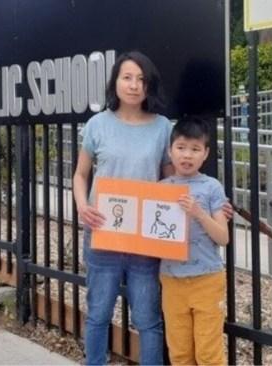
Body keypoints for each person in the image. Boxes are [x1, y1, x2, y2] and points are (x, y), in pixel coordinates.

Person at [72, 51, 173, 365]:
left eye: (141, 79)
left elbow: (171, 181)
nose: (134, 85)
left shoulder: (162, 128)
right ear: (115, 82)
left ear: (149, 86)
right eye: (127, 77)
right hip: (103, 232)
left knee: (147, 318)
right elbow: (80, 174)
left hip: (144, 240)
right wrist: (81, 204)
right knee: (99, 313)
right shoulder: (97, 125)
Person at [159, 117, 229, 365]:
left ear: (206, 153)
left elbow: (223, 237)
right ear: (170, 151)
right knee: (179, 353)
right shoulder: (161, 188)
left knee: (209, 354)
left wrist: (199, 213)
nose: (187, 155)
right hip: (171, 279)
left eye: (195, 149)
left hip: (207, 278)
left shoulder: (212, 187)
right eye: (181, 147)